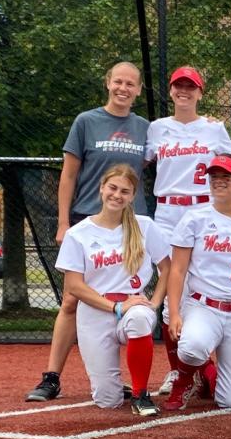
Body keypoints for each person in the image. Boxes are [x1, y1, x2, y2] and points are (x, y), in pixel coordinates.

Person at [26, 61, 148, 402]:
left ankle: (131, 378)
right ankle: (51, 376)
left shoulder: (144, 128)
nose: (123, 88)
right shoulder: (86, 121)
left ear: (138, 90)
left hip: (130, 224)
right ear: (108, 83)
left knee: (131, 298)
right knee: (71, 299)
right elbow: (68, 175)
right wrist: (64, 222)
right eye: (118, 82)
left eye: (131, 84)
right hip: (88, 218)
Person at [144, 65, 231, 395]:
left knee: (210, 278)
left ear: (200, 92)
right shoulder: (156, 129)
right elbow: (139, 163)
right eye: (178, 86)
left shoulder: (213, 128)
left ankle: (212, 361)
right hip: (168, 211)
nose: (184, 91)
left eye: (191, 86)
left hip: (204, 208)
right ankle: (178, 370)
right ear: (170, 91)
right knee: (172, 291)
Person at [54, 164, 169, 416]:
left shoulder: (144, 226)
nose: (117, 195)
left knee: (139, 317)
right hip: (96, 310)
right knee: (108, 399)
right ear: (101, 188)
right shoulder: (78, 233)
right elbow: (74, 286)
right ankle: (116, 387)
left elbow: (167, 267)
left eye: (125, 191)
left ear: (132, 196)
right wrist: (115, 307)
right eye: (112, 188)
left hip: (133, 306)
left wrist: (155, 302)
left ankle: (140, 393)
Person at [163, 154, 231, 410]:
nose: (219, 181)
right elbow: (177, 271)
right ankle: (185, 378)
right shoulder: (194, 219)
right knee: (192, 347)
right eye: (214, 177)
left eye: (226, 177)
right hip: (205, 307)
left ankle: (209, 377)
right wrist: (176, 312)